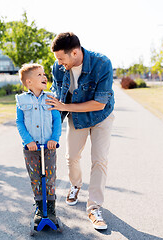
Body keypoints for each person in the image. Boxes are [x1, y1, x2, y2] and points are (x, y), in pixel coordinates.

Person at [46, 32, 115, 230]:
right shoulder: (58, 68)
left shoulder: (102, 63)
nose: (59, 63)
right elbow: (57, 100)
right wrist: (52, 130)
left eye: (61, 58)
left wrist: (64, 108)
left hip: (101, 116)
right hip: (77, 117)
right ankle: (75, 185)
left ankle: (94, 207)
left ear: (75, 53)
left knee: (99, 160)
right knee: (72, 157)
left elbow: (100, 104)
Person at [15, 63, 62, 225]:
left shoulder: (50, 98)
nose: (44, 77)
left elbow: (57, 120)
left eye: (44, 74)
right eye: (40, 75)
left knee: (49, 177)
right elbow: (20, 122)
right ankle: (40, 208)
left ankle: (51, 208)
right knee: (35, 177)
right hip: (31, 148)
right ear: (29, 82)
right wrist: (28, 141)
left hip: (49, 147)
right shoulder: (21, 100)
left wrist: (54, 139)